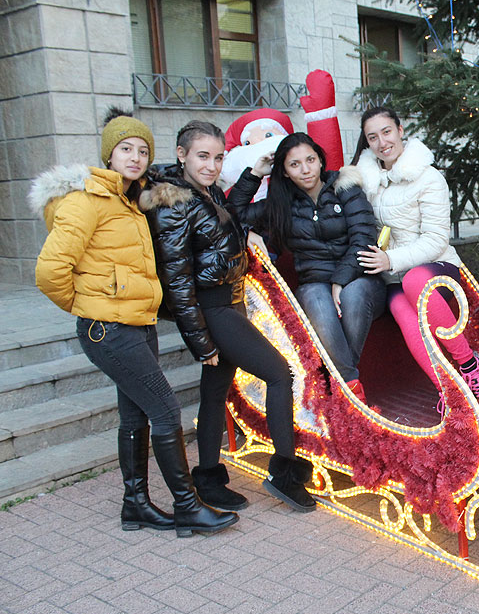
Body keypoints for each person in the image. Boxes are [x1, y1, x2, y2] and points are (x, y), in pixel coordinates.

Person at [33, 109, 238, 537]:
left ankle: (136, 505)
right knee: (165, 410)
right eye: (125, 149)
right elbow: (50, 272)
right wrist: (89, 306)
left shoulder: (134, 200)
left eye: (143, 151)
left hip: (138, 323)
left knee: (136, 417)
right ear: (109, 154)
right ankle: (187, 507)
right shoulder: (86, 201)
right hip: (108, 328)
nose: (135, 157)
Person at [142, 120, 315, 513]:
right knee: (279, 373)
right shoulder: (173, 203)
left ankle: (207, 477)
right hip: (212, 308)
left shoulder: (204, 191)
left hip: (228, 302)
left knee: (214, 392)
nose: (212, 165)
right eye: (203, 157)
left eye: (218, 158)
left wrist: (252, 176)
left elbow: (227, 217)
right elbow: (177, 280)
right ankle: (284, 475)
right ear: (182, 154)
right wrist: (201, 343)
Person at [352, 106, 479, 412]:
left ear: (400, 130)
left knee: (415, 281)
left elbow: (436, 240)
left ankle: (470, 367)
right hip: (391, 277)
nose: (382, 142)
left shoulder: (428, 177)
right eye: (373, 137)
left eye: (387, 132)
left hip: (435, 269)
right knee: (401, 309)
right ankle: (447, 387)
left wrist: (390, 259)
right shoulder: (365, 182)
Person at [228, 133, 385, 403]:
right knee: (315, 297)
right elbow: (232, 215)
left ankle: (337, 383)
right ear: (285, 172)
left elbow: (363, 238)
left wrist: (340, 280)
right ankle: (351, 388)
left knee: (353, 294)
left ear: (320, 161)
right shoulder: (282, 204)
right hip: (314, 284)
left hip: (361, 279)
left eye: (310, 160)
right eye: (295, 164)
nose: (305, 169)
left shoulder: (346, 188)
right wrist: (255, 174)